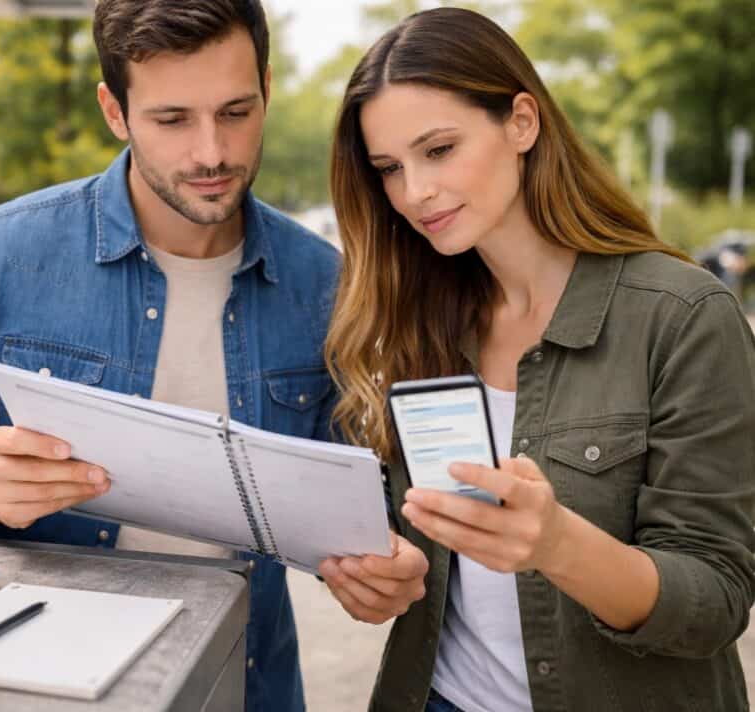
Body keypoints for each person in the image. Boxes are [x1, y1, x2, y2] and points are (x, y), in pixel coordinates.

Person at [0, 1, 419, 709]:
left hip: (245, 683)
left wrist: (378, 568)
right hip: (34, 679)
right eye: (172, 119)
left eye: (237, 112)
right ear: (114, 111)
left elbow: (354, 504)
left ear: (268, 89)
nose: (212, 152)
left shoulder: (326, 283)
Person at [318, 7, 755, 712]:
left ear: (521, 122)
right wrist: (377, 576)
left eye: (439, 150)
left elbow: (716, 600)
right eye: (389, 169)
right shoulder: (416, 321)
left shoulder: (681, 316)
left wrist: (556, 544)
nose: (414, 192)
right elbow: (423, 562)